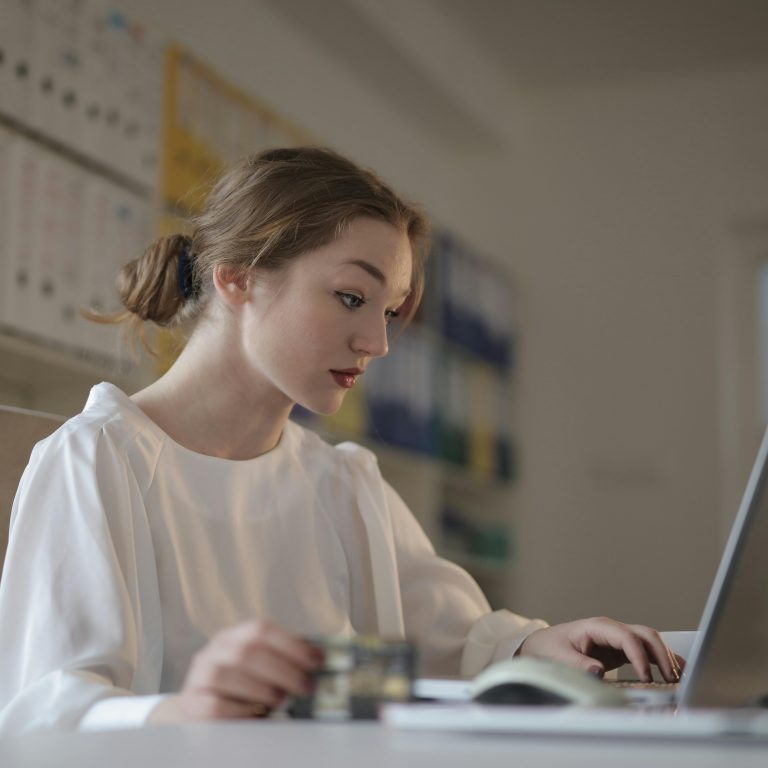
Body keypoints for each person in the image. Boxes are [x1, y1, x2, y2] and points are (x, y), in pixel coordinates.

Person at [0, 147, 681, 733]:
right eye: (352, 298)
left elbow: (458, 640)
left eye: (390, 313)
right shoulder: (99, 459)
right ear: (236, 277)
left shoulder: (343, 483)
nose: (378, 343)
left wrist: (540, 644)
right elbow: (42, 713)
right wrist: (181, 712)